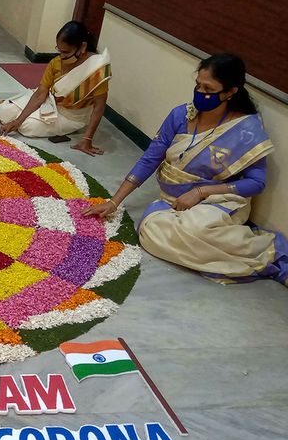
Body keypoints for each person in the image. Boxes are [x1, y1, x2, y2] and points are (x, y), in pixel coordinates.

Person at [83, 54, 287, 286]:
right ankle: (223, 247)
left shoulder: (246, 128)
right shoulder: (180, 115)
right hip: (173, 200)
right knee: (151, 232)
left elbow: (257, 183)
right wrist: (114, 202)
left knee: (194, 230)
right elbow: (150, 159)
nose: (200, 92)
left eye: (208, 88)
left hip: (220, 199)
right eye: (198, 85)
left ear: (230, 92)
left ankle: (270, 251)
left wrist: (202, 192)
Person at [0, 21, 111, 156]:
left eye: (66, 52)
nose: (61, 56)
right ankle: (18, 111)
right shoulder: (55, 62)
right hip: (50, 101)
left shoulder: (96, 69)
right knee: (6, 111)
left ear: (82, 47)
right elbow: (41, 94)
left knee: (28, 127)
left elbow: (99, 106)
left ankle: (26, 114)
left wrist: (87, 139)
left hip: (71, 115)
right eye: (59, 51)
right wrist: (17, 121)